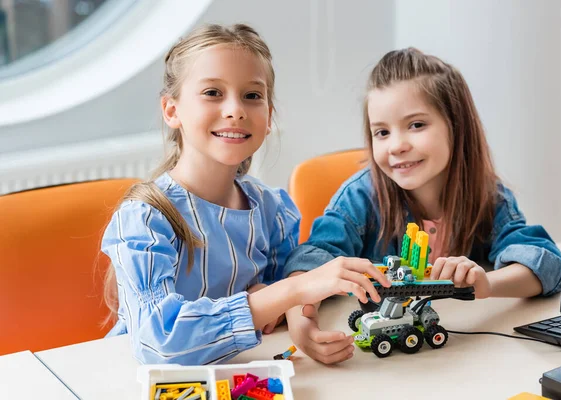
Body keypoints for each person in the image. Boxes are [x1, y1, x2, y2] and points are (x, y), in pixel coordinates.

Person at [101, 23, 390, 366]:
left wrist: (297, 318)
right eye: (212, 93)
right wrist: (291, 291)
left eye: (252, 95)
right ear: (171, 110)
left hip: (238, 373)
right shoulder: (145, 217)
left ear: (268, 116)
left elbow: (276, 305)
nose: (235, 109)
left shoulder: (272, 209)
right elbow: (160, 341)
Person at [282, 47, 561, 364]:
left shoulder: (487, 196)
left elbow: (547, 264)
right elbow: (308, 264)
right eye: (382, 132)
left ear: (457, 127)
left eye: (416, 125)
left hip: (457, 361)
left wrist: (484, 285)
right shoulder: (360, 197)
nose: (397, 145)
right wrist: (301, 323)